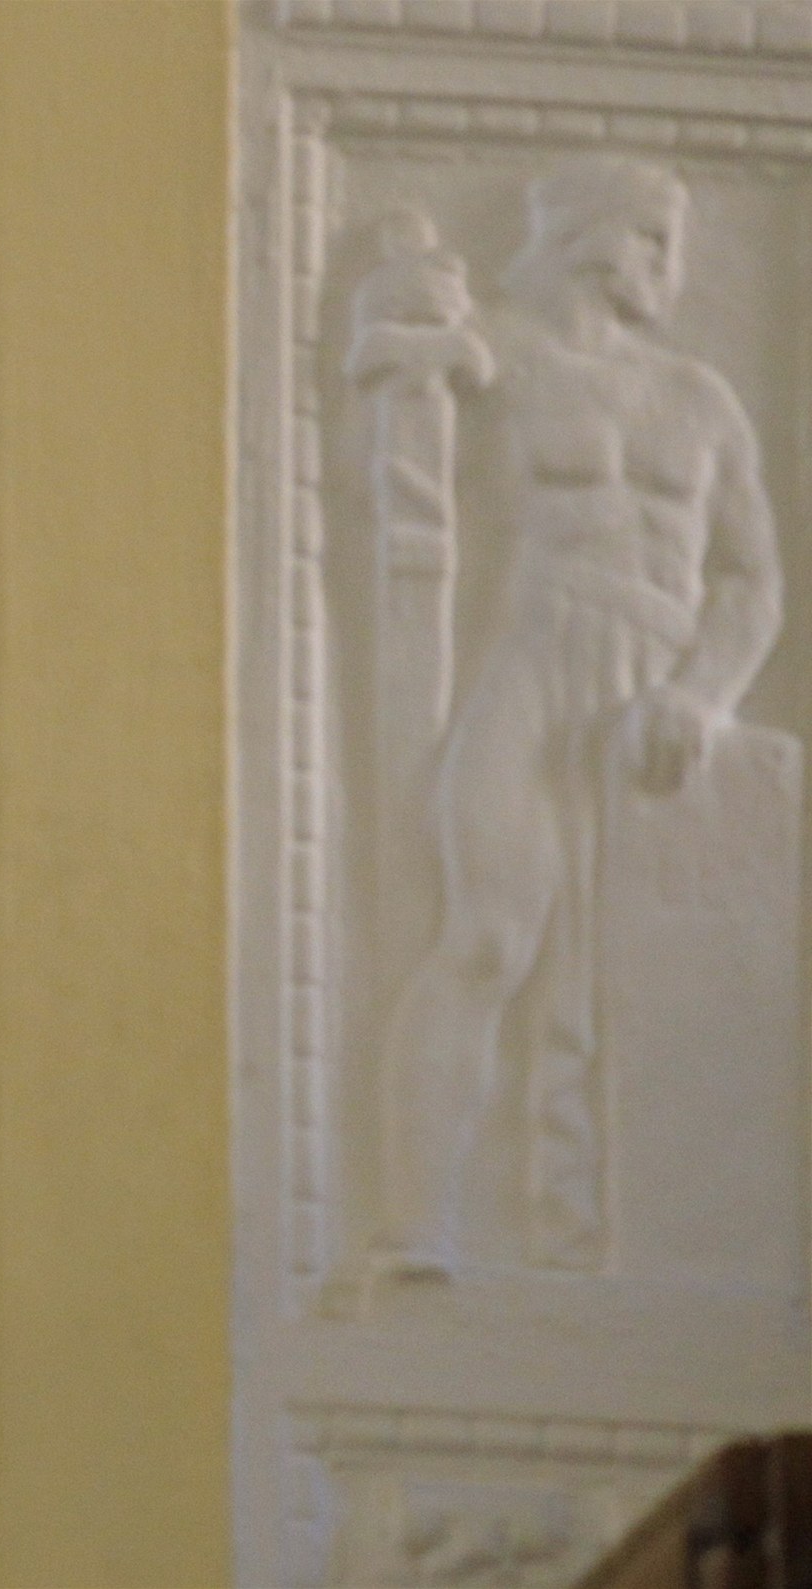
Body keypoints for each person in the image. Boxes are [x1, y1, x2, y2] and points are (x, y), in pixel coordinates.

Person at [374, 156, 782, 1278]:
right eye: (652, 239)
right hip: (535, 666)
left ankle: (620, 1245)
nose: (667, 267)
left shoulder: (701, 399)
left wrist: (699, 693)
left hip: (655, 704)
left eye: (671, 243)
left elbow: (752, 580)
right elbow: (396, 390)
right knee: (487, 938)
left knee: (646, 986)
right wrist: (402, 308)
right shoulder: (497, 352)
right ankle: (414, 1228)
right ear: (592, 237)